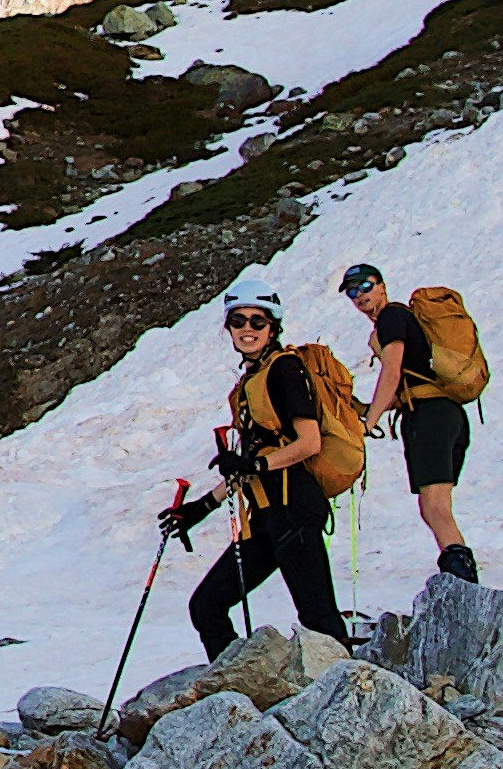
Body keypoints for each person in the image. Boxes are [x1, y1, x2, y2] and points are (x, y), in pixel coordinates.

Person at [164, 292, 348, 655]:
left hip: (294, 506)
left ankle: (351, 700)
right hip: (265, 516)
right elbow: (250, 457)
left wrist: (255, 465)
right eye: (238, 321)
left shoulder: (284, 369)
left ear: (272, 327)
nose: (247, 329)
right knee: (207, 607)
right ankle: (237, 690)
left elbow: (309, 442)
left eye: (257, 321)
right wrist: (201, 507)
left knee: (319, 619)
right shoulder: (252, 380)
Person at [339, 259, 476, 585]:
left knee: (433, 506)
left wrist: (370, 420)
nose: (360, 296)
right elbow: (403, 384)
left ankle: (462, 586)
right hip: (447, 416)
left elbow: (392, 370)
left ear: (382, 286)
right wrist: (368, 408)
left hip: (428, 418)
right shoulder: (401, 319)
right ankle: (462, 582)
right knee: (436, 506)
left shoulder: (391, 318)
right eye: (353, 292)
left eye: (366, 286)